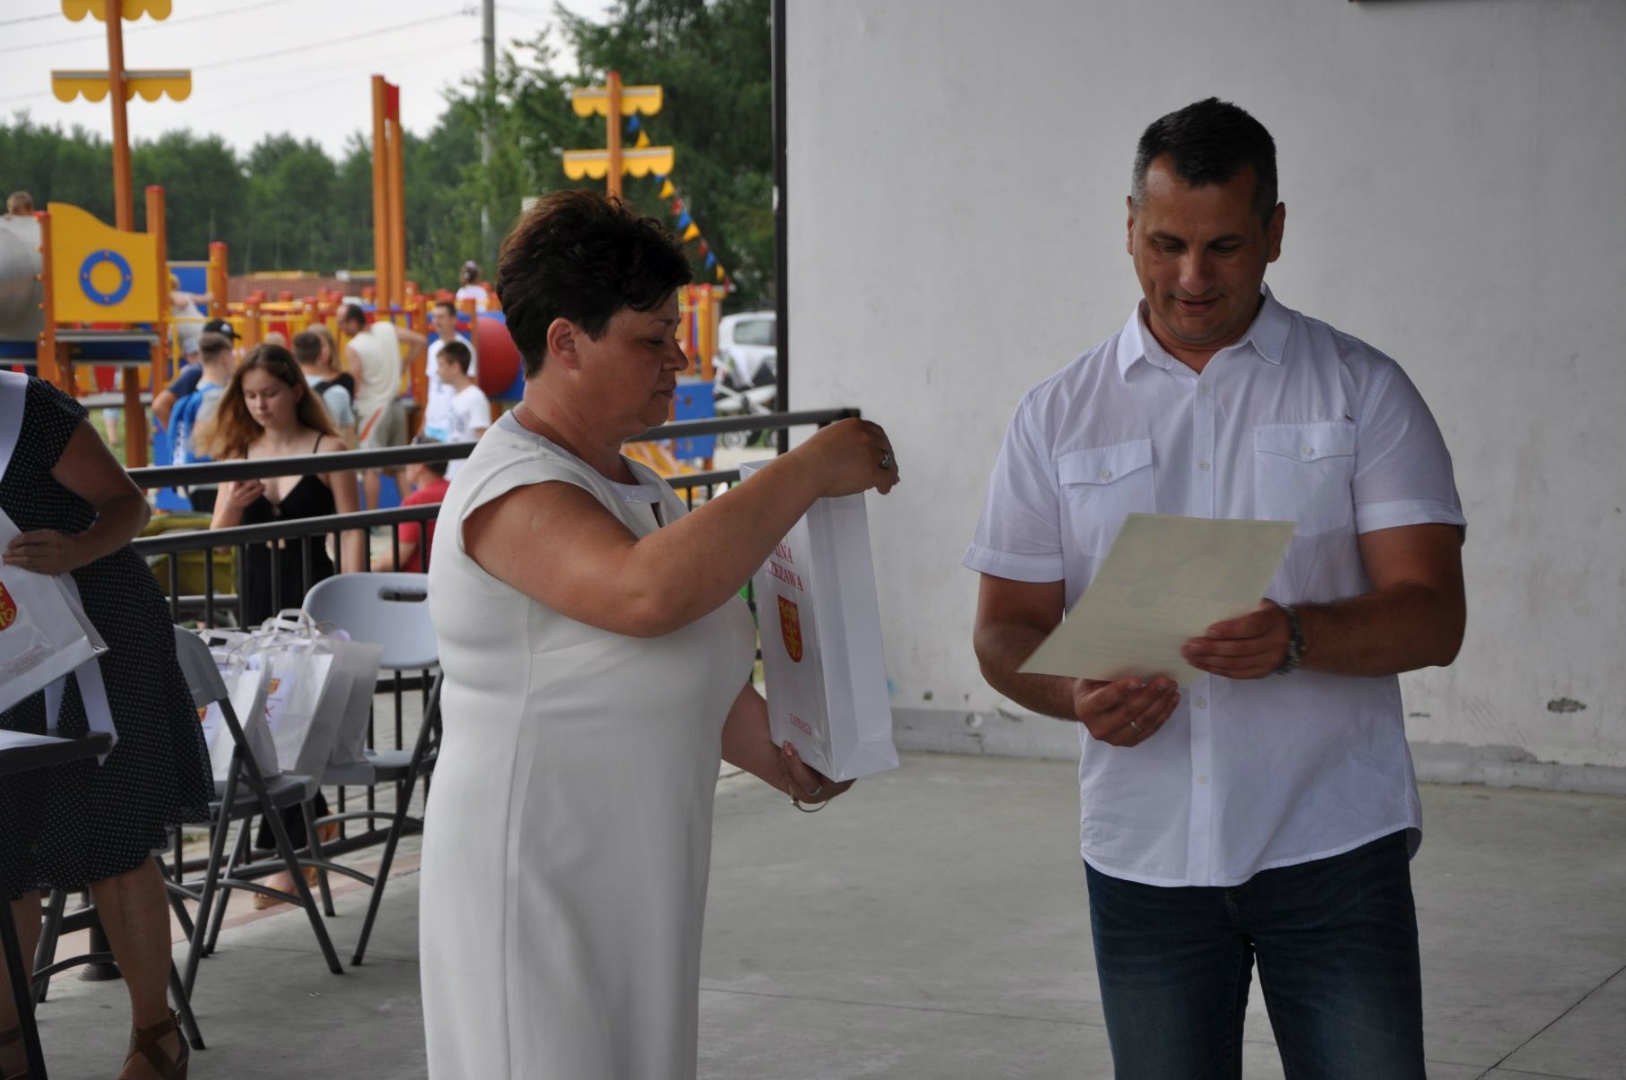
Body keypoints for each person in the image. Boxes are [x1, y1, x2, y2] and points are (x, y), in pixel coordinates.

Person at [966, 98, 1466, 1079]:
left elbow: (1433, 614)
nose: (1191, 277)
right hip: (1143, 857)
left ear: (1274, 232)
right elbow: (1002, 629)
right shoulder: (1056, 415)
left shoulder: (1362, 389)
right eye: (1167, 244)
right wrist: (1073, 693)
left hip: (1333, 845)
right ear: (1129, 228)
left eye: (1224, 246)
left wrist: (1298, 635)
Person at [418, 191, 900, 1079]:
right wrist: (805, 469)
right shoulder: (509, 487)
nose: (678, 357)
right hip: (537, 880)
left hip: (639, 878)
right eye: (651, 338)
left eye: (675, 332)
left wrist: (787, 751)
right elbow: (645, 596)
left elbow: (689, 660)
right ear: (566, 342)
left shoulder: (640, 488)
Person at [0, 373, 213, 1080]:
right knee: (5, 847)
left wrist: (77, 548)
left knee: (113, 837)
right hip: (9, 654)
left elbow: (129, 503)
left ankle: (156, 1034)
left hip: (99, 639)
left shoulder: (23, 407)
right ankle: (10, 1042)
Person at [338, 303, 426, 509]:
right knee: (400, 467)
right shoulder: (386, 328)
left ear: (353, 322)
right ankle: (413, 514)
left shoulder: (354, 346)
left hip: (373, 410)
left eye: (342, 322)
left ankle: (372, 518)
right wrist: (404, 363)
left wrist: (347, 403)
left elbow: (356, 379)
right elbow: (420, 340)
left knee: (371, 467)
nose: (340, 327)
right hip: (396, 405)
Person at [170, 330, 237, 512]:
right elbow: (202, 443)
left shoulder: (196, 393)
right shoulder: (214, 397)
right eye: (232, 357)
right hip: (211, 482)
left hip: (199, 481)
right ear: (225, 359)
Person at [369, 438, 449, 573]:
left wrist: (361, 569)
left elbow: (396, 559)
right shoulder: (453, 489)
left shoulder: (416, 501)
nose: (405, 465)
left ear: (419, 466)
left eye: (409, 459)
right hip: (444, 575)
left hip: (414, 580)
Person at [153, 317, 237, 430]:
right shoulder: (196, 373)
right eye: (225, 343)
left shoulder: (224, 376)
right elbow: (160, 405)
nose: (230, 346)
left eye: (230, 341)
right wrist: (180, 436)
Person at [422, 300, 476, 445]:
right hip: (432, 423)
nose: (436, 321)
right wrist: (425, 421)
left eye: (441, 317)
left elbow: (470, 385)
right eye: (434, 317)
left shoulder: (464, 348)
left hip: (452, 422)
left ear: (453, 320)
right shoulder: (433, 348)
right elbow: (431, 388)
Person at [292, 327, 357, 448]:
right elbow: (348, 436)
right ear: (321, 355)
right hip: (328, 455)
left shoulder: (286, 392)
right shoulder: (339, 393)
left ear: (294, 356)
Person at [433, 340, 488, 478]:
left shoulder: (475, 397)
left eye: (441, 365)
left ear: (455, 367)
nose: (438, 371)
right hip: (453, 473)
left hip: (468, 475)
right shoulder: (455, 396)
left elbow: (483, 439)